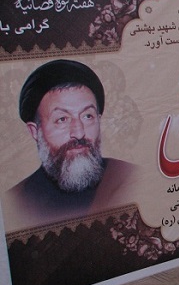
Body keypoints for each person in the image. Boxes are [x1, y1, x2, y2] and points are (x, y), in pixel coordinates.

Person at [3, 59, 136, 231]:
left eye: (87, 116)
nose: (79, 133)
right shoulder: (16, 203)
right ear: (35, 131)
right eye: (62, 119)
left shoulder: (128, 178)